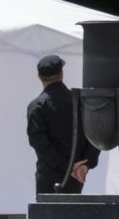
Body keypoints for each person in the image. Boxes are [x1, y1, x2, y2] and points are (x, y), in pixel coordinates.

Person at [26, 55, 99, 194]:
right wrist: (84, 165)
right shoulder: (81, 102)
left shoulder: (36, 107)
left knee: (48, 215)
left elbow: (40, 144)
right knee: (73, 214)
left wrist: (67, 167)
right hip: (77, 175)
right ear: (62, 73)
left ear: (39, 76)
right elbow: (95, 136)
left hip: (50, 176)